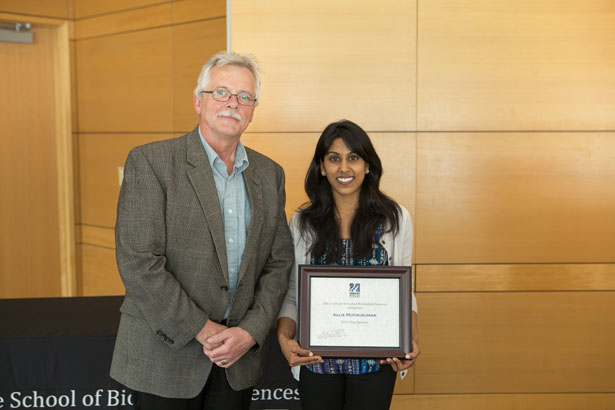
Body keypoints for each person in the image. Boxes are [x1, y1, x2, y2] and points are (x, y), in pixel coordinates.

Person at [110, 51, 293, 410]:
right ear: (198, 101)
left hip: (236, 359)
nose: (233, 104)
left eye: (244, 97)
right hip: (165, 356)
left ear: (253, 109)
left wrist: (250, 332)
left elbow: (279, 264)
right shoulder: (152, 162)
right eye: (221, 92)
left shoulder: (270, 174)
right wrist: (206, 331)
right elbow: (138, 263)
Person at [277, 120, 420, 410]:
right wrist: (283, 338)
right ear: (321, 167)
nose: (344, 168)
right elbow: (294, 292)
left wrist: (411, 340)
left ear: (367, 165)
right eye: (334, 159)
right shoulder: (302, 222)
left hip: (376, 363)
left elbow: (405, 293)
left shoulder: (396, 219)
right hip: (316, 361)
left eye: (353, 158)